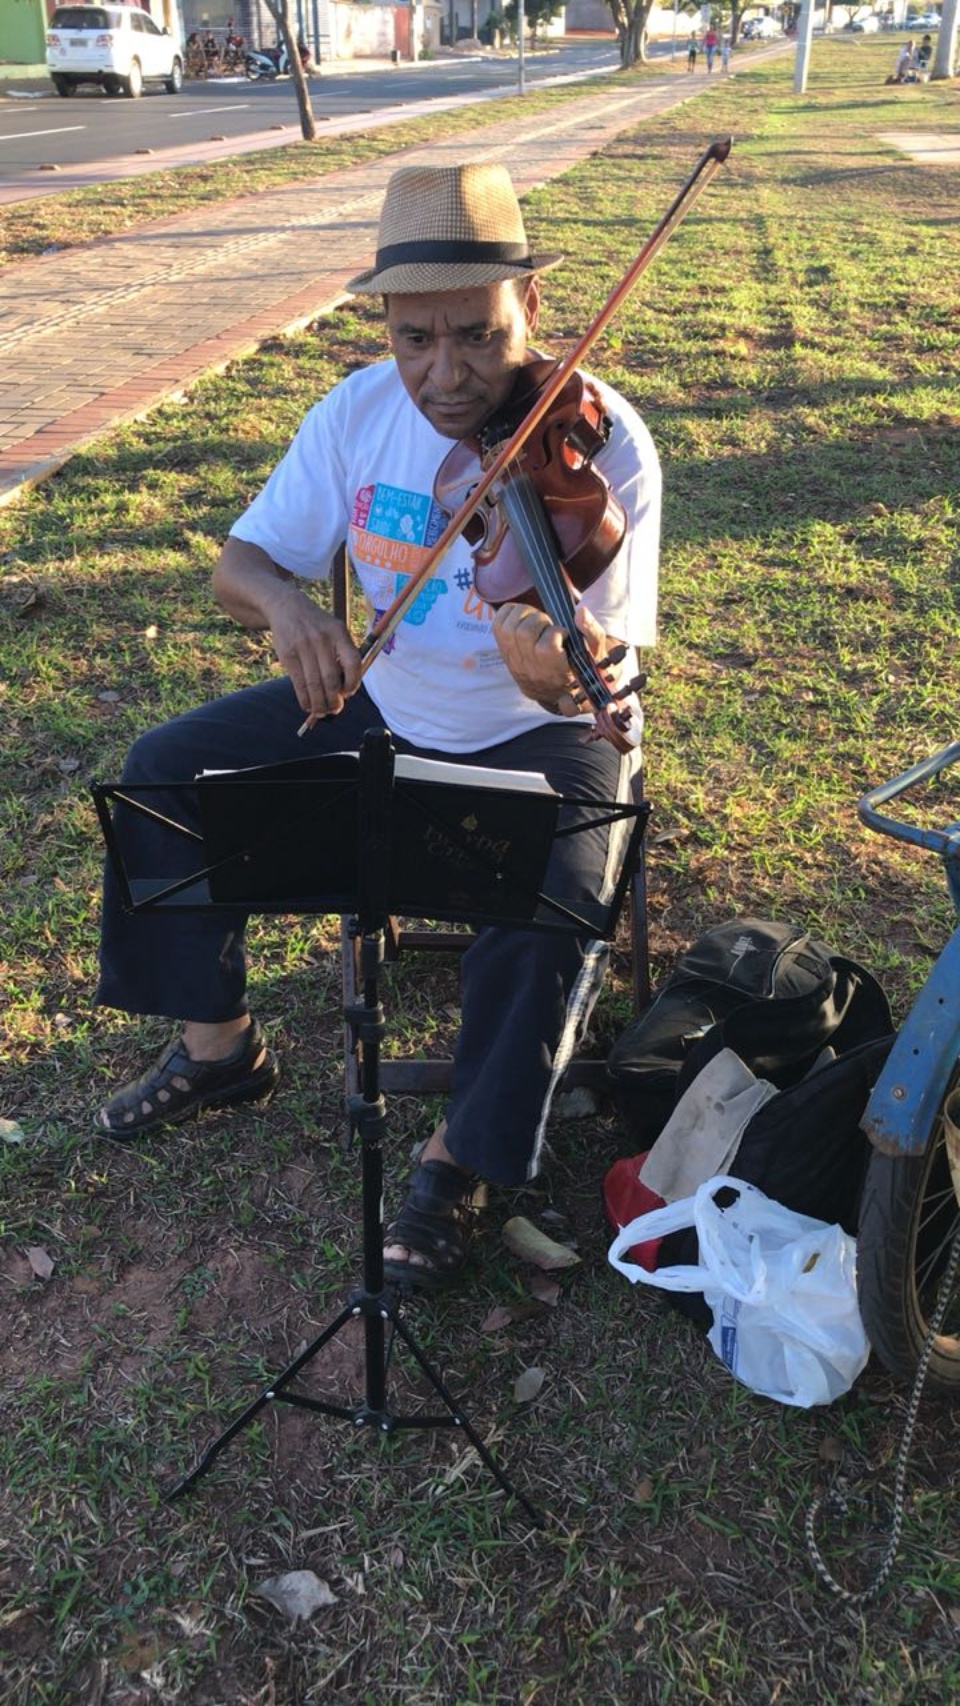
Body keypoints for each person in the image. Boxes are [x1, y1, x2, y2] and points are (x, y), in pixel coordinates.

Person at [94, 163, 661, 1293]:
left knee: (555, 874)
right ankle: (219, 1048)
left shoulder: (605, 448)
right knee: (164, 770)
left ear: (531, 311)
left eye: (475, 337)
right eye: (414, 340)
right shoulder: (353, 412)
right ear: (385, 329)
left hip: (535, 731)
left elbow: (584, 671)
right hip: (381, 709)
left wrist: (544, 667)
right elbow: (239, 562)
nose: (444, 375)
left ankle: (465, 1157)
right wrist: (291, 605)